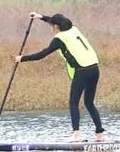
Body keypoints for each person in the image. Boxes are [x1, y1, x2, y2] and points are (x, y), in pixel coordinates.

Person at [15, 12, 106, 142]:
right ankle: (100, 134)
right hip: (94, 69)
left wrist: (22, 58)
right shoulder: (73, 29)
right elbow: (56, 21)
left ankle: (77, 135)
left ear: (56, 26)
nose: (52, 27)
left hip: (82, 71)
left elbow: (42, 54)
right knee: (89, 102)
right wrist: (40, 17)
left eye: (52, 25)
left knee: (73, 103)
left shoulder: (59, 39)